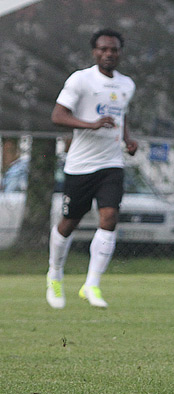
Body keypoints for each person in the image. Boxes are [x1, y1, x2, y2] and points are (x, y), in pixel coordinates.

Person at [45, 28, 138, 309]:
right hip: (80, 165)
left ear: (120, 53)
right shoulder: (81, 80)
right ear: (94, 52)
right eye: (103, 49)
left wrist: (127, 140)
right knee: (68, 223)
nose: (108, 54)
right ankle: (55, 273)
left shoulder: (126, 85)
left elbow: (121, 117)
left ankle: (92, 284)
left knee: (109, 218)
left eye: (113, 50)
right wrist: (91, 125)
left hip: (111, 164)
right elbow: (58, 116)